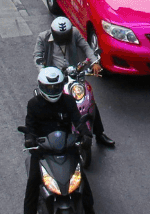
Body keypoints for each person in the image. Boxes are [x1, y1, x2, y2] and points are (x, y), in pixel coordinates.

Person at [22, 66, 99, 214]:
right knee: (34, 179)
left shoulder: (68, 101)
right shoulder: (33, 104)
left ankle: (90, 213)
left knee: (81, 179)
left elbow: (78, 121)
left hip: (66, 146)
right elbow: (30, 127)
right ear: (41, 87)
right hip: (42, 149)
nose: (53, 90)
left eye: (56, 87)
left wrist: (86, 135)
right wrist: (30, 139)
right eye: (49, 88)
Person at [33, 16, 114, 148]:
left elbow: (86, 47)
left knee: (88, 99)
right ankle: (41, 136)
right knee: (45, 104)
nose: (64, 39)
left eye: (66, 35)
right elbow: (37, 57)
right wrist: (44, 72)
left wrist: (94, 63)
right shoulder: (43, 37)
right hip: (54, 78)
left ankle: (99, 134)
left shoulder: (75, 33)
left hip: (74, 74)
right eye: (61, 36)